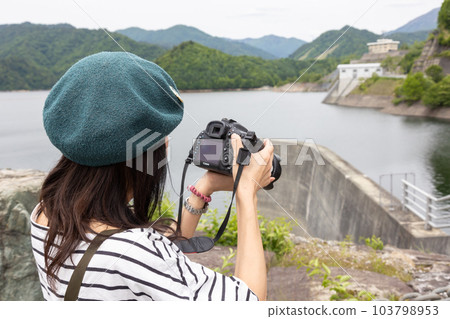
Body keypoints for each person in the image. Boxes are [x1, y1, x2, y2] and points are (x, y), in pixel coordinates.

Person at [30, 51, 274, 301]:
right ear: (136, 157)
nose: (166, 143)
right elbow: (251, 300)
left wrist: (206, 186)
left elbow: (160, 250)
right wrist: (246, 193)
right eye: (159, 138)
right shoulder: (133, 251)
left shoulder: (46, 213)